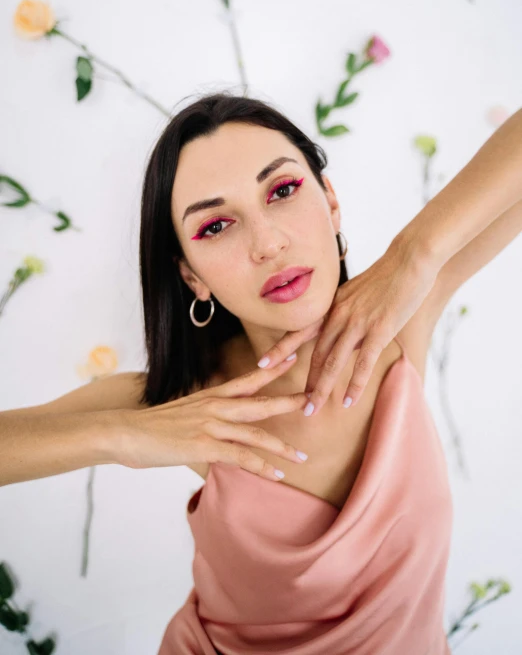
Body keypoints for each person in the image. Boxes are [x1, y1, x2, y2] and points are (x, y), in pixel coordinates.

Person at [0, 92, 454, 654]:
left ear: (330, 202)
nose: (268, 244)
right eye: (216, 226)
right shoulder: (183, 407)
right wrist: (121, 435)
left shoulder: (401, 331)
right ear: (192, 276)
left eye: (283, 191)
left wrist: (416, 253)